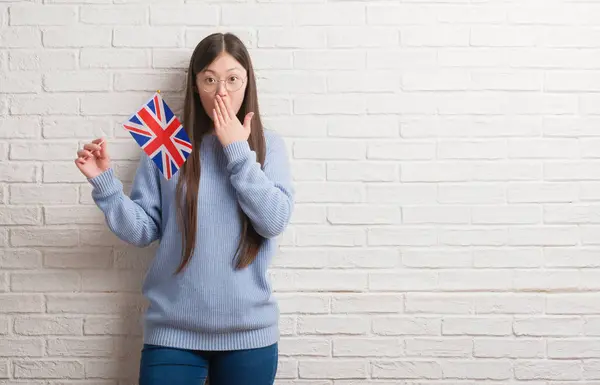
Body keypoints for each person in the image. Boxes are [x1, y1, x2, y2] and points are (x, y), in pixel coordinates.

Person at [74, 32, 294, 385]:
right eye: (210, 79)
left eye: (232, 79)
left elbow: (273, 221)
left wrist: (238, 151)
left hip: (249, 334)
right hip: (173, 333)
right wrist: (106, 185)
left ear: (247, 83)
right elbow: (144, 230)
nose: (221, 92)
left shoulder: (268, 146)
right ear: (195, 85)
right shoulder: (169, 139)